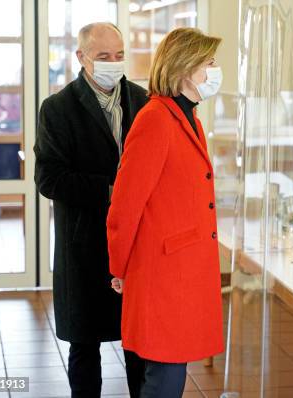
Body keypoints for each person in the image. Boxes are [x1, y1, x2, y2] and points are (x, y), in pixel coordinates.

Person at [107, 27, 224, 397]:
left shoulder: (189, 117)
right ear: (186, 68)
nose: (214, 70)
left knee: (171, 371)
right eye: (210, 63)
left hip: (184, 269)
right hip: (164, 272)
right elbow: (125, 205)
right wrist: (119, 266)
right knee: (165, 375)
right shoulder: (155, 118)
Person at [34, 22, 147, 398]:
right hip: (84, 245)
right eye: (103, 57)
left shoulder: (143, 100)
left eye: (119, 56)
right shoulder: (58, 108)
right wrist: (113, 189)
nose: (114, 63)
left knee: (139, 345)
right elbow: (49, 178)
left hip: (135, 244)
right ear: (81, 58)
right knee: (84, 345)